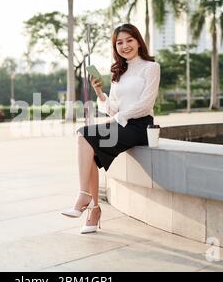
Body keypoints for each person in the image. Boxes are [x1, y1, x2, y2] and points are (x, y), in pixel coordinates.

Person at [61, 23, 160, 234]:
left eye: (129, 40)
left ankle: (84, 198)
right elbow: (111, 108)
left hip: (141, 126)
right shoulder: (118, 71)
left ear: (138, 41)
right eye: (119, 42)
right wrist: (99, 92)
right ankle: (93, 208)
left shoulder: (151, 67)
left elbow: (146, 103)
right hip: (121, 123)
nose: (125, 46)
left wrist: (118, 119)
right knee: (86, 141)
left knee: (84, 135)